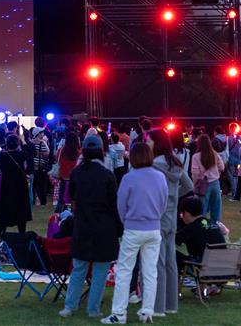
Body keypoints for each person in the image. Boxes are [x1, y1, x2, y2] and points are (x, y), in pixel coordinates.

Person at [102, 142, 167, 325]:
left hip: (133, 228)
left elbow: (121, 205)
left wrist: (127, 221)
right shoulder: (160, 177)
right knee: (149, 271)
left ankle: (119, 313)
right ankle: (147, 311)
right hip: (154, 228)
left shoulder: (129, 178)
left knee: (124, 271)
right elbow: (163, 203)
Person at [59, 135, 120, 319]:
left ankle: (70, 306)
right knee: (100, 272)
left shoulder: (77, 173)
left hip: (83, 225)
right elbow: (114, 203)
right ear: (101, 151)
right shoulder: (107, 175)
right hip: (104, 227)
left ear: (83, 151)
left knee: (79, 269)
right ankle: (93, 309)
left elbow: (73, 197)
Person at [150, 129, 193, 317]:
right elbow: (189, 186)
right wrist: (174, 198)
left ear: (156, 143)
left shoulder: (153, 165)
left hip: (158, 216)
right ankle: (171, 304)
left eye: (149, 140)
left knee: (157, 262)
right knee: (170, 262)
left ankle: (158, 307)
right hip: (172, 215)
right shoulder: (175, 162)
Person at [175, 196, 226, 267]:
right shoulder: (213, 224)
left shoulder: (191, 228)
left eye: (181, 214)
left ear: (186, 213)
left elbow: (173, 240)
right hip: (222, 267)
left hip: (203, 267)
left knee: (171, 253)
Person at [0, 135, 31, 235]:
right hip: (20, 185)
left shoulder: (3, 156)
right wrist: (23, 141)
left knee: (5, 209)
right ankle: (22, 232)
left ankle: (3, 233)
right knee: (21, 209)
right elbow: (29, 153)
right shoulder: (21, 155)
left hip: (6, 185)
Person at [191, 134, 225, 224]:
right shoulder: (214, 154)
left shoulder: (196, 156)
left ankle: (202, 228)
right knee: (216, 209)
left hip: (203, 184)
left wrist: (195, 185)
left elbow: (195, 173)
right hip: (215, 183)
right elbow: (222, 167)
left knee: (202, 210)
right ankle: (216, 228)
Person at [29, 126, 51, 206]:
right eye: (41, 133)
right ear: (38, 134)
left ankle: (33, 200)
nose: (43, 134)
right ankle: (42, 201)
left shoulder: (30, 142)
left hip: (33, 166)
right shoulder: (42, 143)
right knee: (42, 185)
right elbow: (47, 154)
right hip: (41, 166)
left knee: (33, 185)